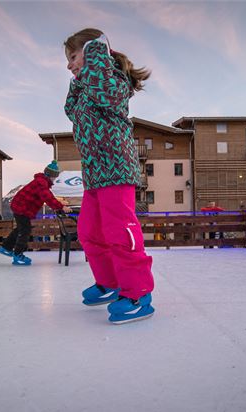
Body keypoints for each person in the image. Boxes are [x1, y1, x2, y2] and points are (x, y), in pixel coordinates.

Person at [64, 28, 154, 324]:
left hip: (116, 167)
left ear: (93, 51)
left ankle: (138, 293)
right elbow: (70, 110)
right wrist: (79, 77)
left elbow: (106, 94)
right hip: (94, 172)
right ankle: (111, 282)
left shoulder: (112, 80)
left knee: (120, 232)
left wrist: (96, 54)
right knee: (88, 231)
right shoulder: (87, 86)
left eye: (73, 56)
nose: (69, 65)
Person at [0, 161, 71, 265]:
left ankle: (5, 247)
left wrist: (59, 202)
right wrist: (61, 207)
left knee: (21, 228)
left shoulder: (41, 182)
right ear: (50, 175)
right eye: (54, 177)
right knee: (25, 230)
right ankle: (17, 254)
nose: (54, 180)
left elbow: (48, 195)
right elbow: (47, 197)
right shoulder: (41, 183)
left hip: (20, 206)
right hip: (22, 208)